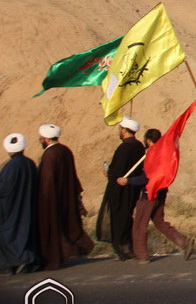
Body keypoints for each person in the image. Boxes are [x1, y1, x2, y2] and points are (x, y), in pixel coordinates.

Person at [118, 128, 195, 263]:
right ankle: (184, 242)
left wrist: (128, 181)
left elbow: (146, 178)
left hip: (149, 194)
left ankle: (142, 255)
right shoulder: (164, 154)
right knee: (159, 222)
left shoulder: (152, 156)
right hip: (161, 193)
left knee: (139, 225)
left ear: (148, 140)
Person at [36, 124, 93, 270]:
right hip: (66, 197)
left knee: (51, 229)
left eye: (42, 138)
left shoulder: (49, 155)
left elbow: (47, 182)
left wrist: (43, 199)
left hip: (52, 200)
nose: (40, 140)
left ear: (47, 139)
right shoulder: (65, 150)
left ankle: (53, 259)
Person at [96, 117, 145, 261]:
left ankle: (121, 249)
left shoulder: (124, 147)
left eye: (120, 129)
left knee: (118, 218)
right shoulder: (139, 146)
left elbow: (117, 171)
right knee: (127, 216)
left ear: (124, 130)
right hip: (132, 188)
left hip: (120, 190)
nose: (119, 131)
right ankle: (128, 247)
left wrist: (108, 172)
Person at [0, 133, 39, 274]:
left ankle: (15, 263)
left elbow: (3, 189)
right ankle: (27, 261)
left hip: (11, 208)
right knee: (26, 233)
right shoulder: (29, 163)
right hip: (27, 206)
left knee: (9, 235)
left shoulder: (10, 167)